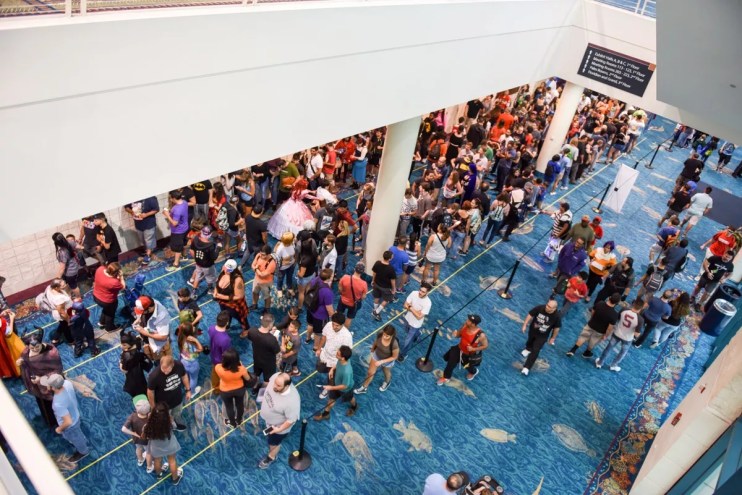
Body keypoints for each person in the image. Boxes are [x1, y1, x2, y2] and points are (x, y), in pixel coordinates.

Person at [41, 374, 90, 463]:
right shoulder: (67, 383)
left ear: (53, 388)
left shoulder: (58, 404)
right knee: (78, 434)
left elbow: (68, 422)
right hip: (75, 414)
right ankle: (81, 439)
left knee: (75, 438)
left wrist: (59, 429)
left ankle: (83, 452)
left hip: (71, 425)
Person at [17, 335, 63, 427]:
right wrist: (21, 361)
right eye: (32, 348)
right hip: (37, 385)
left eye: (37, 346)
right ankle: (50, 421)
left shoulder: (51, 354)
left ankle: (59, 421)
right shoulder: (27, 350)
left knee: (55, 403)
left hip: (49, 385)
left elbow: (58, 370)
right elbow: (25, 359)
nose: (35, 349)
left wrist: (41, 379)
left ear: (41, 343)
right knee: (44, 405)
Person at [258, 372, 301, 469]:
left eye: (278, 385)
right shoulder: (275, 377)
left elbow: (291, 420)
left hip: (278, 428)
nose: (274, 386)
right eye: (275, 383)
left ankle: (271, 457)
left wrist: (279, 429)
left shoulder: (292, 402)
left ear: (286, 386)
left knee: (273, 443)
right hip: (269, 421)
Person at [595, 299, 645, 372]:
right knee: (622, 352)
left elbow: (617, 319)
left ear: (633, 304)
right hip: (627, 338)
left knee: (608, 348)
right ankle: (613, 365)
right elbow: (636, 335)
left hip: (617, 333)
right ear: (642, 308)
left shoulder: (624, 309)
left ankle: (600, 363)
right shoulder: (640, 319)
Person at [566, 293, 621, 359]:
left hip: (591, 325)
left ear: (609, 298)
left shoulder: (600, 303)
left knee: (583, 337)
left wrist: (592, 319)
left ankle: (573, 350)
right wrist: (606, 335)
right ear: (617, 303)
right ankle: (587, 352)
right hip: (600, 331)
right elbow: (609, 328)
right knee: (593, 342)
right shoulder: (614, 315)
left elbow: (593, 312)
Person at [438, 314, 489, 385]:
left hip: (468, 355)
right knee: (450, 364)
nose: (466, 321)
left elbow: (485, 346)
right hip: (458, 349)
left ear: (473, 324)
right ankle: (446, 377)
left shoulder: (481, 335)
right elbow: (459, 335)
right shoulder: (465, 326)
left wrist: (473, 349)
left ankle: (474, 371)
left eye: (469, 321)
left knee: (467, 366)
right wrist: (455, 334)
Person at [142, 402, 184, 484]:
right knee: (172, 461)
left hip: (156, 448)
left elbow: (144, 436)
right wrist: (171, 419)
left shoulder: (148, 426)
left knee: (157, 461)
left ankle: (159, 475)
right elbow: (175, 427)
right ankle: (175, 479)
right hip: (170, 445)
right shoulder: (169, 422)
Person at [147, 355, 190, 432]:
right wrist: (153, 407)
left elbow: (184, 376)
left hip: (177, 399)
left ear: (172, 365)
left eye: (167, 370)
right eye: (163, 370)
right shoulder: (154, 376)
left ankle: (174, 422)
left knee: (177, 413)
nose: (165, 372)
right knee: (164, 419)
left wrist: (188, 390)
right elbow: (150, 392)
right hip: (163, 405)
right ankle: (167, 427)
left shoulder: (179, 365)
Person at [314, 345, 358, 420]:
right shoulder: (342, 360)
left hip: (345, 390)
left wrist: (331, 387)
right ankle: (326, 414)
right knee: (331, 399)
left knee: (350, 398)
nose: (336, 354)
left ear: (343, 358)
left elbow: (345, 386)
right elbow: (337, 364)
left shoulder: (346, 372)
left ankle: (354, 406)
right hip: (336, 383)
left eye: (338, 354)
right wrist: (332, 370)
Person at [520, 300, 562, 376]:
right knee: (530, 340)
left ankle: (527, 367)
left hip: (542, 336)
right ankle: (528, 348)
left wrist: (553, 338)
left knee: (536, 350)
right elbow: (530, 314)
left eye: (549, 307)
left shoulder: (557, 317)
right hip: (533, 330)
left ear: (554, 309)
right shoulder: (540, 308)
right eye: (547, 305)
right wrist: (525, 324)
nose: (547, 307)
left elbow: (557, 328)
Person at [317, 313, 353, 399]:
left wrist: (334, 367)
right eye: (333, 324)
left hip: (335, 361)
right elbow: (323, 337)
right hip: (325, 355)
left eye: (337, 325)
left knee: (332, 379)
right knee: (320, 368)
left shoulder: (347, 337)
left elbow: (346, 354)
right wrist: (319, 349)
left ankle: (328, 389)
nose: (334, 327)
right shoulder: (329, 325)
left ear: (342, 324)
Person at [355, 325, 400, 394]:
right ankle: (364, 387)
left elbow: (394, 357)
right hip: (377, 356)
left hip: (387, 361)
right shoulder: (380, 334)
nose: (384, 337)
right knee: (370, 373)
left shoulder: (394, 344)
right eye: (384, 334)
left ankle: (387, 382)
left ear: (391, 336)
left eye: (387, 336)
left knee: (386, 372)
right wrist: (372, 350)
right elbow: (376, 342)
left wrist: (382, 361)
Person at [215, 348, 252, 429]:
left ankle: (232, 423)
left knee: (229, 407)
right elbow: (248, 378)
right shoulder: (241, 369)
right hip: (239, 390)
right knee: (240, 405)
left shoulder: (218, 368)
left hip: (225, 391)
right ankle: (239, 420)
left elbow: (220, 365)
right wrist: (241, 365)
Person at [213, 259, 250, 336]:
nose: (227, 271)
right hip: (222, 302)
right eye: (226, 268)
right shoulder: (223, 272)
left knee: (240, 318)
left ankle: (246, 329)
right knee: (226, 314)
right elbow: (217, 283)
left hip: (233, 304)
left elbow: (239, 296)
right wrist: (215, 292)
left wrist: (222, 296)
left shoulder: (237, 280)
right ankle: (227, 325)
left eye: (230, 270)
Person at [247, 313, 281, 395]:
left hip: (257, 359)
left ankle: (254, 389)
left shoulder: (252, 331)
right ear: (270, 325)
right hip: (268, 363)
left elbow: (256, 338)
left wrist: (269, 334)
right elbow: (277, 351)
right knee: (267, 380)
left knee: (256, 375)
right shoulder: (272, 339)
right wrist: (275, 339)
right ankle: (262, 392)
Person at [398, 283, 433, 362]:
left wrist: (410, 307)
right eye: (420, 290)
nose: (420, 292)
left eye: (423, 292)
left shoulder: (428, 303)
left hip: (416, 324)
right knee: (406, 330)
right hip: (408, 319)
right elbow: (405, 305)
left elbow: (419, 317)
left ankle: (403, 354)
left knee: (408, 341)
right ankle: (418, 334)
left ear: (427, 293)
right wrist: (416, 311)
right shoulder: (414, 293)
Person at [132, 296, 172, 362]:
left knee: (161, 359)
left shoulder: (162, 317)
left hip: (159, 345)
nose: (141, 313)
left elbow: (163, 337)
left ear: (149, 308)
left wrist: (144, 332)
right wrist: (138, 319)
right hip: (149, 336)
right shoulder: (149, 302)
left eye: (142, 312)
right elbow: (141, 313)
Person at [124, 196, 160, 265]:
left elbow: (156, 209)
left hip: (149, 224)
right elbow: (126, 207)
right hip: (138, 224)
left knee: (149, 240)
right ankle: (148, 251)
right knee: (143, 240)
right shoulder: (131, 196)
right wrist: (131, 212)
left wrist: (146, 214)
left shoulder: (150, 198)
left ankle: (148, 255)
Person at [306, 269, 336, 348]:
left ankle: (307, 338)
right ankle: (315, 347)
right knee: (318, 333)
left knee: (310, 325)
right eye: (332, 275)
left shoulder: (315, 280)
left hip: (311, 308)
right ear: (329, 278)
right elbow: (329, 309)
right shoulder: (327, 292)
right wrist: (334, 317)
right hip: (320, 315)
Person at [92, 262, 125, 333]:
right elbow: (123, 287)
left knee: (106, 310)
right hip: (107, 301)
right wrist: (121, 277)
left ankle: (101, 322)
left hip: (96, 296)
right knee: (110, 313)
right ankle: (109, 328)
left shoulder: (100, 269)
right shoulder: (114, 282)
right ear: (116, 273)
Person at [121, 395, 152, 469]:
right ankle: (149, 467)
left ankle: (140, 460)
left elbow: (123, 429)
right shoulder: (149, 419)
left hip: (136, 439)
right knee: (148, 452)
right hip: (147, 440)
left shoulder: (132, 416)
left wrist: (134, 433)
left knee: (138, 449)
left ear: (137, 410)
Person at [163, 190, 190, 272]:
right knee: (183, 243)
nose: (170, 199)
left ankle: (176, 264)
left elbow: (175, 223)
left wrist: (167, 215)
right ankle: (184, 256)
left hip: (178, 231)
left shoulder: (177, 210)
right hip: (185, 227)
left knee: (177, 248)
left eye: (170, 198)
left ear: (174, 198)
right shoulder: (184, 202)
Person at [336, 262, 369, 330]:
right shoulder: (364, 284)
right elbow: (363, 297)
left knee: (338, 314)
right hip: (353, 304)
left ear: (354, 269)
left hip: (343, 300)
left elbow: (340, 288)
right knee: (349, 318)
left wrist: (343, 294)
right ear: (363, 272)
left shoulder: (345, 277)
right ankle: (344, 332)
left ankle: (335, 326)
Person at [208, 311, 233, 394]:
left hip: (213, 355)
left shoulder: (211, 328)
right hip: (220, 360)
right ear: (227, 323)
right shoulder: (225, 339)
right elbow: (226, 354)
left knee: (214, 373)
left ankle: (215, 387)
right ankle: (217, 389)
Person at [120, 332, 151, 398]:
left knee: (136, 391)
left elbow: (124, 370)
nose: (121, 346)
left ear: (130, 344)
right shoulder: (137, 346)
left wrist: (120, 362)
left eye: (124, 345)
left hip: (132, 377)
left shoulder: (127, 356)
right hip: (139, 371)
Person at [52, 232, 83, 299]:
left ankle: (79, 297)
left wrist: (56, 279)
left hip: (70, 272)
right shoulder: (70, 242)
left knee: (73, 285)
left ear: (56, 243)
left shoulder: (62, 252)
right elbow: (80, 247)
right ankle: (70, 294)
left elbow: (62, 268)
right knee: (70, 283)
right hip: (75, 268)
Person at [43, 279, 73, 345]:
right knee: (66, 328)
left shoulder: (49, 287)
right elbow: (61, 312)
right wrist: (68, 320)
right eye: (63, 286)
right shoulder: (59, 298)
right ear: (56, 287)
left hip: (57, 313)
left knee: (62, 325)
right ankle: (71, 341)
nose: (65, 286)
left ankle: (55, 339)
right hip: (63, 314)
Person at [188, 226, 219, 292]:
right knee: (210, 278)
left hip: (198, 263)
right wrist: (218, 248)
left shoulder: (196, 239)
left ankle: (193, 292)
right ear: (210, 234)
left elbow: (191, 250)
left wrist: (196, 258)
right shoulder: (210, 245)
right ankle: (210, 289)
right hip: (208, 266)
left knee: (197, 276)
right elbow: (214, 257)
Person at [177, 323, 203, 397]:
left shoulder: (180, 337)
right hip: (192, 364)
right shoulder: (192, 343)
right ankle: (192, 392)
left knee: (185, 374)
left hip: (183, 361)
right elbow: (201, 349)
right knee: (193, 378)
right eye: (192, 327)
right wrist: (196, 340)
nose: (193, 327)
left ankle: (185, 384)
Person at [371, 250, 398, 321]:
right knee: (386, 299)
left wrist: (373, 280)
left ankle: (375, 309)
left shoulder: (377, 263)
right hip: (386, 288)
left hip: (376, 284)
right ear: (389, 259)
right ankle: (376, 312)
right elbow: (392, 280)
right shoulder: (391, 269)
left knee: (377, 297)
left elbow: (374, 273)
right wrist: (394, 289)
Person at [251, 245, 277, 311]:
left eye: (263, 255)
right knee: (254, 292)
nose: (261, 256)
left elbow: (262, 275)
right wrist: (256, 269)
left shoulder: (272, 263)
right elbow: (252, 265)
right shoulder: (258, 255)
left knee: (267, 297)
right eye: (261, 253)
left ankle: (267, 309)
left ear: (268, 254)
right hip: (256, 280)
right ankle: (254, 305)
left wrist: (256, 268)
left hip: (266, 283)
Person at [0, 310, 24, 379]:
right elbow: (9, 333)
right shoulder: (1, 322)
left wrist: (1, 315)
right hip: (9, 342)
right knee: (19, 353)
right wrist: (12, 319)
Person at [274, 232, 297, 298]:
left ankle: (289, 287)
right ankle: (279, 289)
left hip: (291, 265)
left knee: (289, 277)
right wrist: (283, 262)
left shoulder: (292, 244)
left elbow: (294, 253)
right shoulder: (280, 248)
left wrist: (294, 260)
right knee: (280, 278)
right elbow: (276, 259)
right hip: (282, 267)